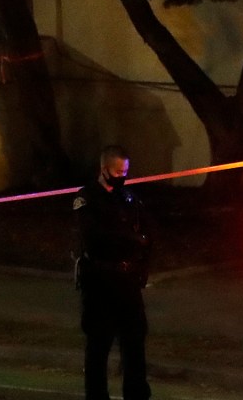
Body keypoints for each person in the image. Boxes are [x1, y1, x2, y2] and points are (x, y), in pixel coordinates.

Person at [74, 143, 151, 400]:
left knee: (135, 342)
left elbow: (146, 235)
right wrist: (129, 239)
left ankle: (136, 394)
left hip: (127, 281)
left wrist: (143, 265)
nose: (123, 177)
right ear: (104, 169)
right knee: (99, 345)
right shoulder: (87, 198)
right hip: (100, 282)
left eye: (125, 172)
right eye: (118, 172)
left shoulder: (129, 199)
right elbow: (94, 237)